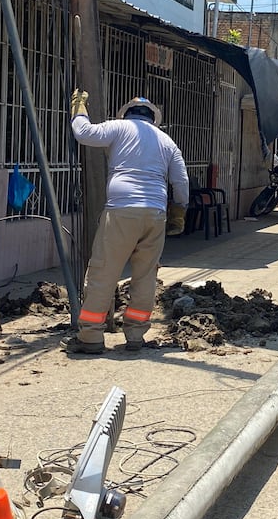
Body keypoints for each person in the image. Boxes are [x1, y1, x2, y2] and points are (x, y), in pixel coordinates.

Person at [65, 93, 189, 354]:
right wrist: (178, 212)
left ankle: (91, 338)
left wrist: (79, 108)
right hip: (155, 214)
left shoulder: (119, 127)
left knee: (103, 272)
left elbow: (84, 133)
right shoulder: (167, 141)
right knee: (145, 276)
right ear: (153, 118)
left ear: (127, 113)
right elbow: (181, 181)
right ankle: (135, 336)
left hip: (122, 211)